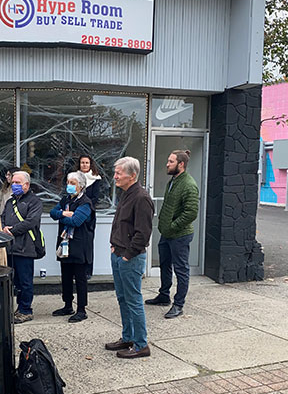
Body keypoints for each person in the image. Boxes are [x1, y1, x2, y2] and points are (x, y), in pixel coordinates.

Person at [105, 156, 155, 359]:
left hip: (130, 258)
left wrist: (127, 256)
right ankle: (128, 338)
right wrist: (113, 246)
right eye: (115, 172)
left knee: (133, 300)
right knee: (123, 299)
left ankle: (141, 345)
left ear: (132, 176)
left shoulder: (141, 198)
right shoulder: (126, 194)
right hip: (118, 253)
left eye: (119, 173)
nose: (115, 176)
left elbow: (143, 233)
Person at [146, 149, 200, 319]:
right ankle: (164, 295)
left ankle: (178, 304)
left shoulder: (189, 184)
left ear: (181, 164)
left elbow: (191, 212)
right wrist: (166, 227)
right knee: (164, 265)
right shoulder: (173, 181)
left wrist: (172, 226)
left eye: (171, 162)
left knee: (181, 269)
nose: (167, 164)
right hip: (167, 234)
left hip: (180, 235)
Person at [49, 171, 95, 323]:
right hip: (65, 244)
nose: (69, 185)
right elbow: (52, 213)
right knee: (66, 276)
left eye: (73, 183)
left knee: (80, 279)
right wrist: (64, 213)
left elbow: (76, 221)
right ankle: (67, 305)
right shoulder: (65, 200)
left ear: (81, 186)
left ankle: (81, 309)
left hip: (80, 246)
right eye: (68, 182)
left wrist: (63, 216)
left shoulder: (86, 203)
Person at [2, 170, 43, 323]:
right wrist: (3, 227)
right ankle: (17, 308)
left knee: (25, 282)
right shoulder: (10, 201)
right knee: (15, 281)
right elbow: (2, 217)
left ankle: (26, 310)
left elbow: (31, 221)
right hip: (11, 248)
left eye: (18, 183)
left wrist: (12, 230)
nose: (14, 185)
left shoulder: (34, 201)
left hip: (25, 247)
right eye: (13, 182)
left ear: (27, 184)